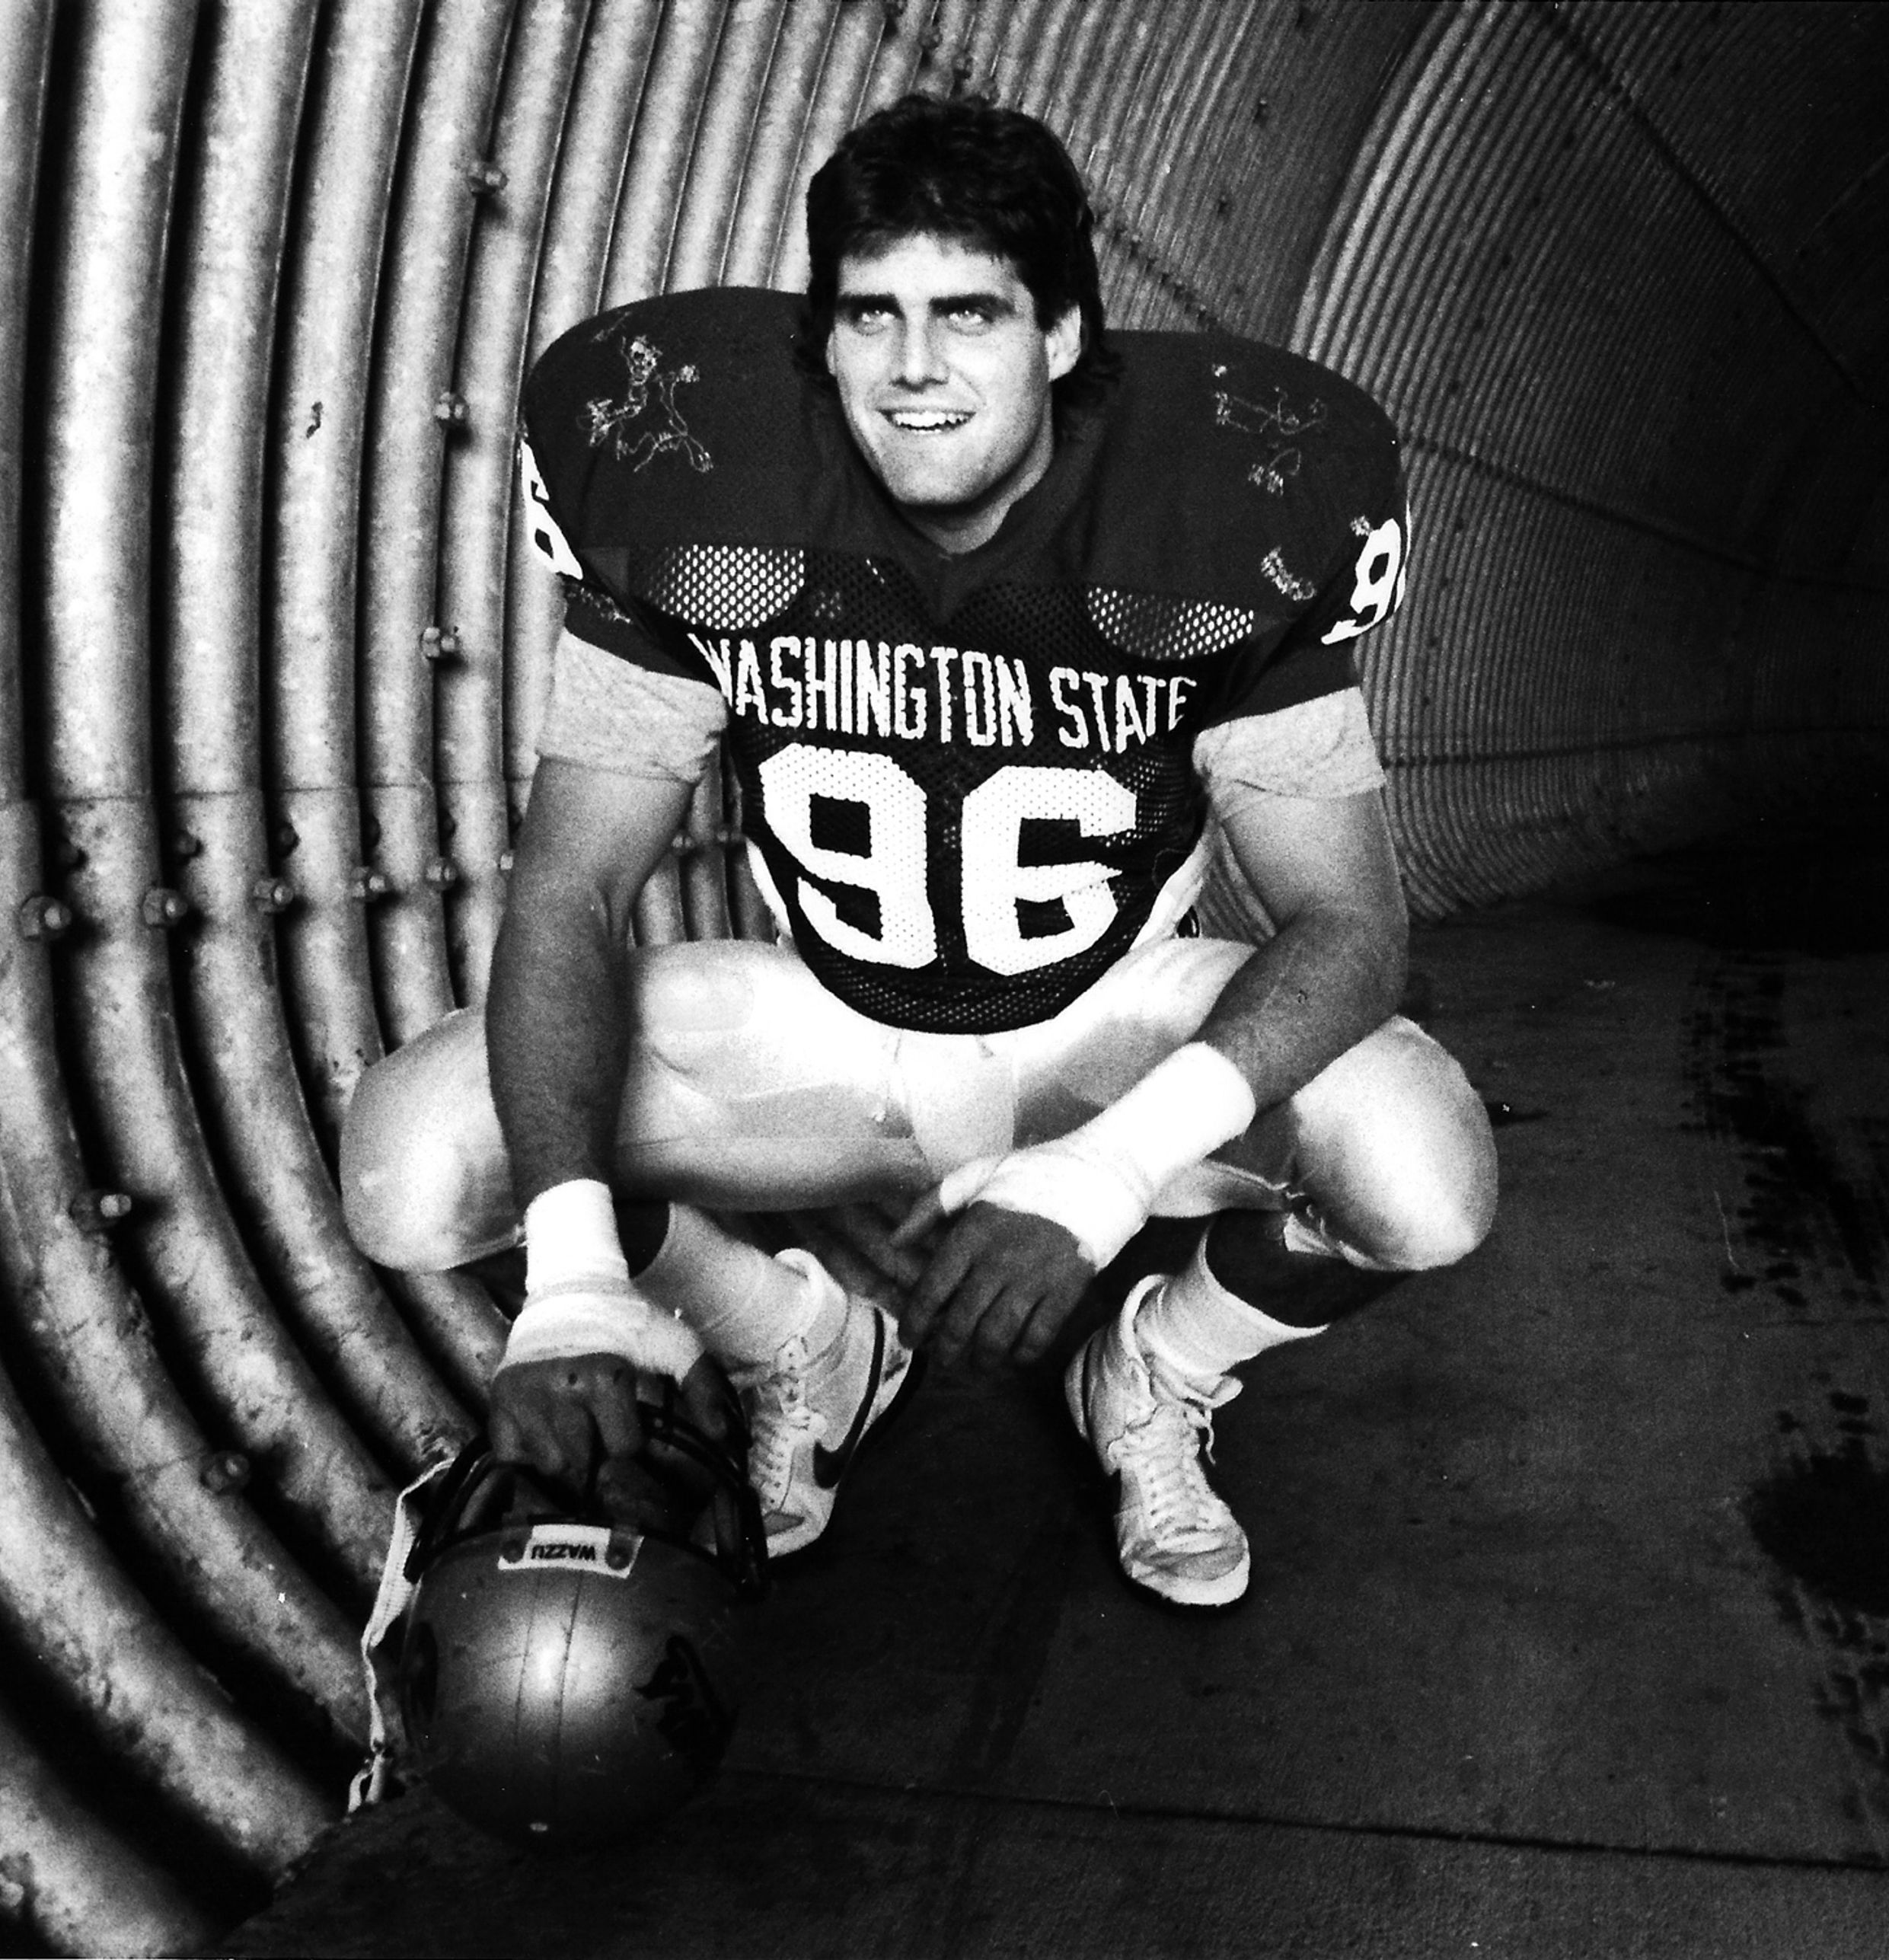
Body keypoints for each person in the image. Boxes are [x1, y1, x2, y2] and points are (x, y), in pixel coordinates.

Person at [340, 94, 1497, 1610]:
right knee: (413, 1170)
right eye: (869, 315)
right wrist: (566, 1282)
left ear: (1065, 335)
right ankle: (801, 1345)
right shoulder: (712, 503)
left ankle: (1153, 1371)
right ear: (821, 337)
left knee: (1424, 1177)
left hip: (1108, 1026)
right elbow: (570, 890)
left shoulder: (1222, 511)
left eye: (970, 313)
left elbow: (1347, 924)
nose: (913, 368)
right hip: (825, 1024)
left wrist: (1109, 1174)